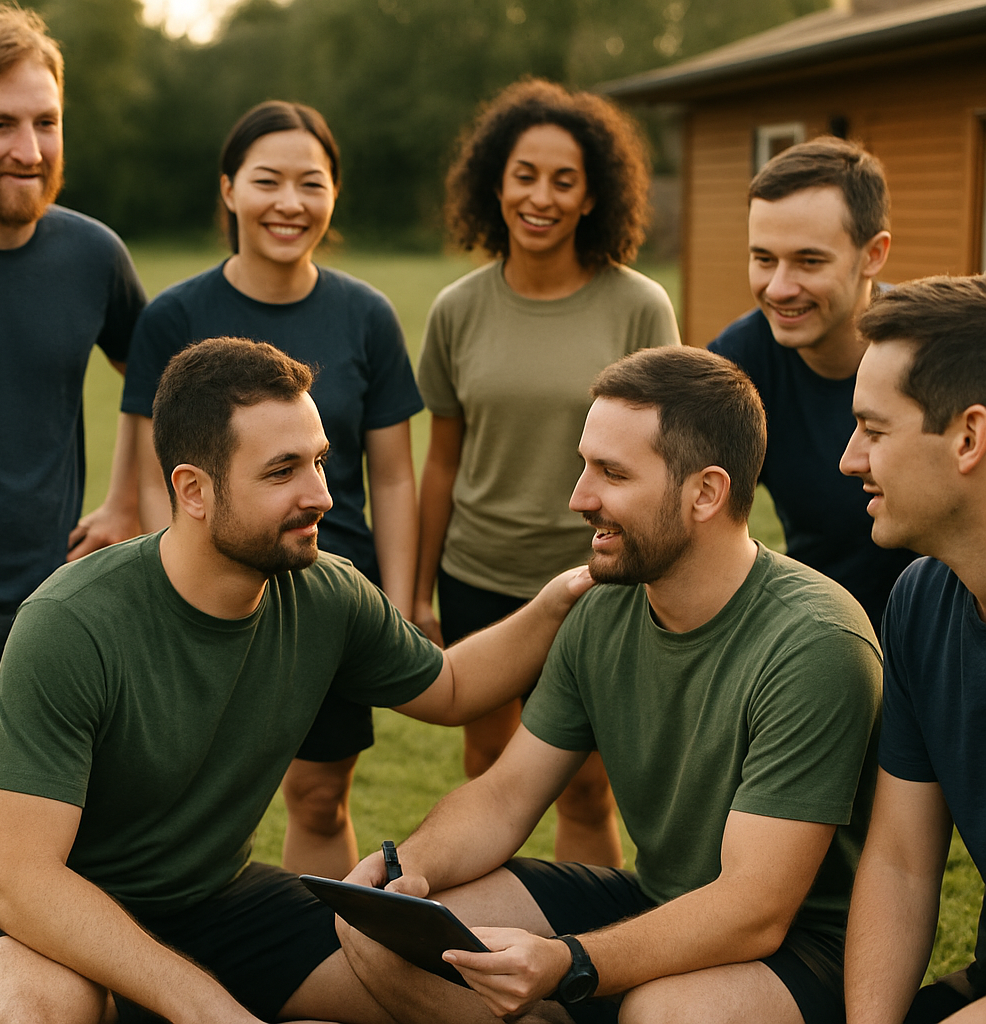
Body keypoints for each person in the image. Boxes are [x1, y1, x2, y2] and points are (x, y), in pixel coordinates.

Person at [0, 336, 592, 1024]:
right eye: (283, 470)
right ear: (193, 491)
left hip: (211, 900)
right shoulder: (70, 624)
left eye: (319, 461)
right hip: (37, 908)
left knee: (464, 998)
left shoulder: (326, 592)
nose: (321, 495)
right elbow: (21, 882)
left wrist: (563, 596)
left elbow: (449, 687)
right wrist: (206, 1006)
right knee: (37, 1010)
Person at [340, 345, 882, 1024]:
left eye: (612, 474)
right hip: (658, 903)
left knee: (663, 1014)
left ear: (706, 493)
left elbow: (756, 909)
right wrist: (400, 871)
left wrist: (570, 962)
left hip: (805, 949)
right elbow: (507, 795)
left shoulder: (814, 642)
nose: (579, 498)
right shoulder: (603, 607)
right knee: (384, 934)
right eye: (584, 465)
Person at [121, 100, 422, 879]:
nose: (290, 202)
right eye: (267, 181)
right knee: (182, 791)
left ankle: (320, 966)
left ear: (334, 193)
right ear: (229, 191)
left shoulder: (368, 316)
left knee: (320, 797)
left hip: (327, 587)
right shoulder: (174, 315)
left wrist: (399, 593)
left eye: (311, 183)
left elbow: (392, 474)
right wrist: (171, 595)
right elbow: (156, 477)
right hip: (205, 599)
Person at [415, 78, 680, 867]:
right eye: (525, 174)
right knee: (488, 774)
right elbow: (442, 462)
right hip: (481, 578)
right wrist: (421, 589)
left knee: (588, 785)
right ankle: (484, 952)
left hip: (598, 581)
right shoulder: (456, 310)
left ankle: (578, 971)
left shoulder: (639, 307)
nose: (542, 196)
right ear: (494, 182)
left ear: (593, 194)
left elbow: (666, 460)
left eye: (564, 180)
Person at [0, 3, 146, 796]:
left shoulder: (92, 254)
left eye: (47, 122)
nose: (29, 151)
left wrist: (125, 503)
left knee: (72, 847)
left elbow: (164, 385)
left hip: (60, 614)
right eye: (0, 123)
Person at [840, 276, 986, 1024]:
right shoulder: (921, 602)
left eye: (874, 429)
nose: (848, 459)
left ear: (968, 438)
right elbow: (900, 863)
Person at [709, 136, 914, 632]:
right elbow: (691, 517)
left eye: (809, 261)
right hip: (820, 632)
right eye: (763, 258)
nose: (778, 288)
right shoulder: (738, 363)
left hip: (942, 639)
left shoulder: (933, 352)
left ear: (873, 254)